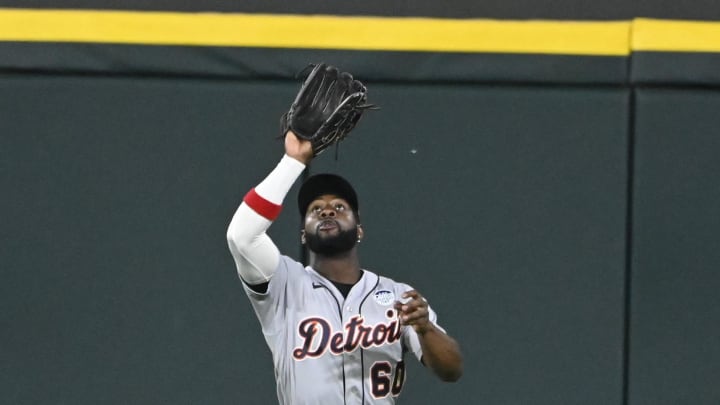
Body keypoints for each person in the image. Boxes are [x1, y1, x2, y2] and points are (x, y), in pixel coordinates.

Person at [226, 131, 463, 404]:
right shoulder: (284, 285)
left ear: (359, 230)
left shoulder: (398, 295)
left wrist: (425, 329)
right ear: (303, 234)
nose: (327, 211)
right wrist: (292, 162)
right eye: (315, 209)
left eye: (339, 207)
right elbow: (241, 236)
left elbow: (451, 370)